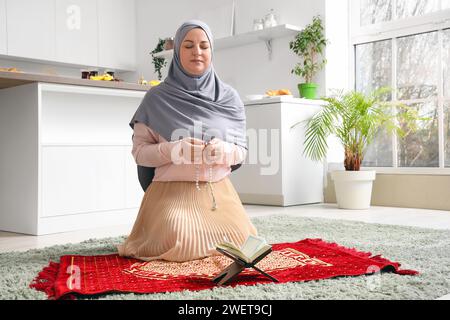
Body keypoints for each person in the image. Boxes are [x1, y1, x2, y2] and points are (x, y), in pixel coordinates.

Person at [117, 20, 258, 262]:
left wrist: (223, 151)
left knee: (243, 243)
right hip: (170, 192)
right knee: (180, 239)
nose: (197, 52)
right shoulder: (156, 98)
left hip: (217, 193)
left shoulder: (229, 98)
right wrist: (173, 150)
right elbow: (140, 153)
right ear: (177, 52)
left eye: (204, 46)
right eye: (189, 45)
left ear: (212, 51)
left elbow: (241, 152)